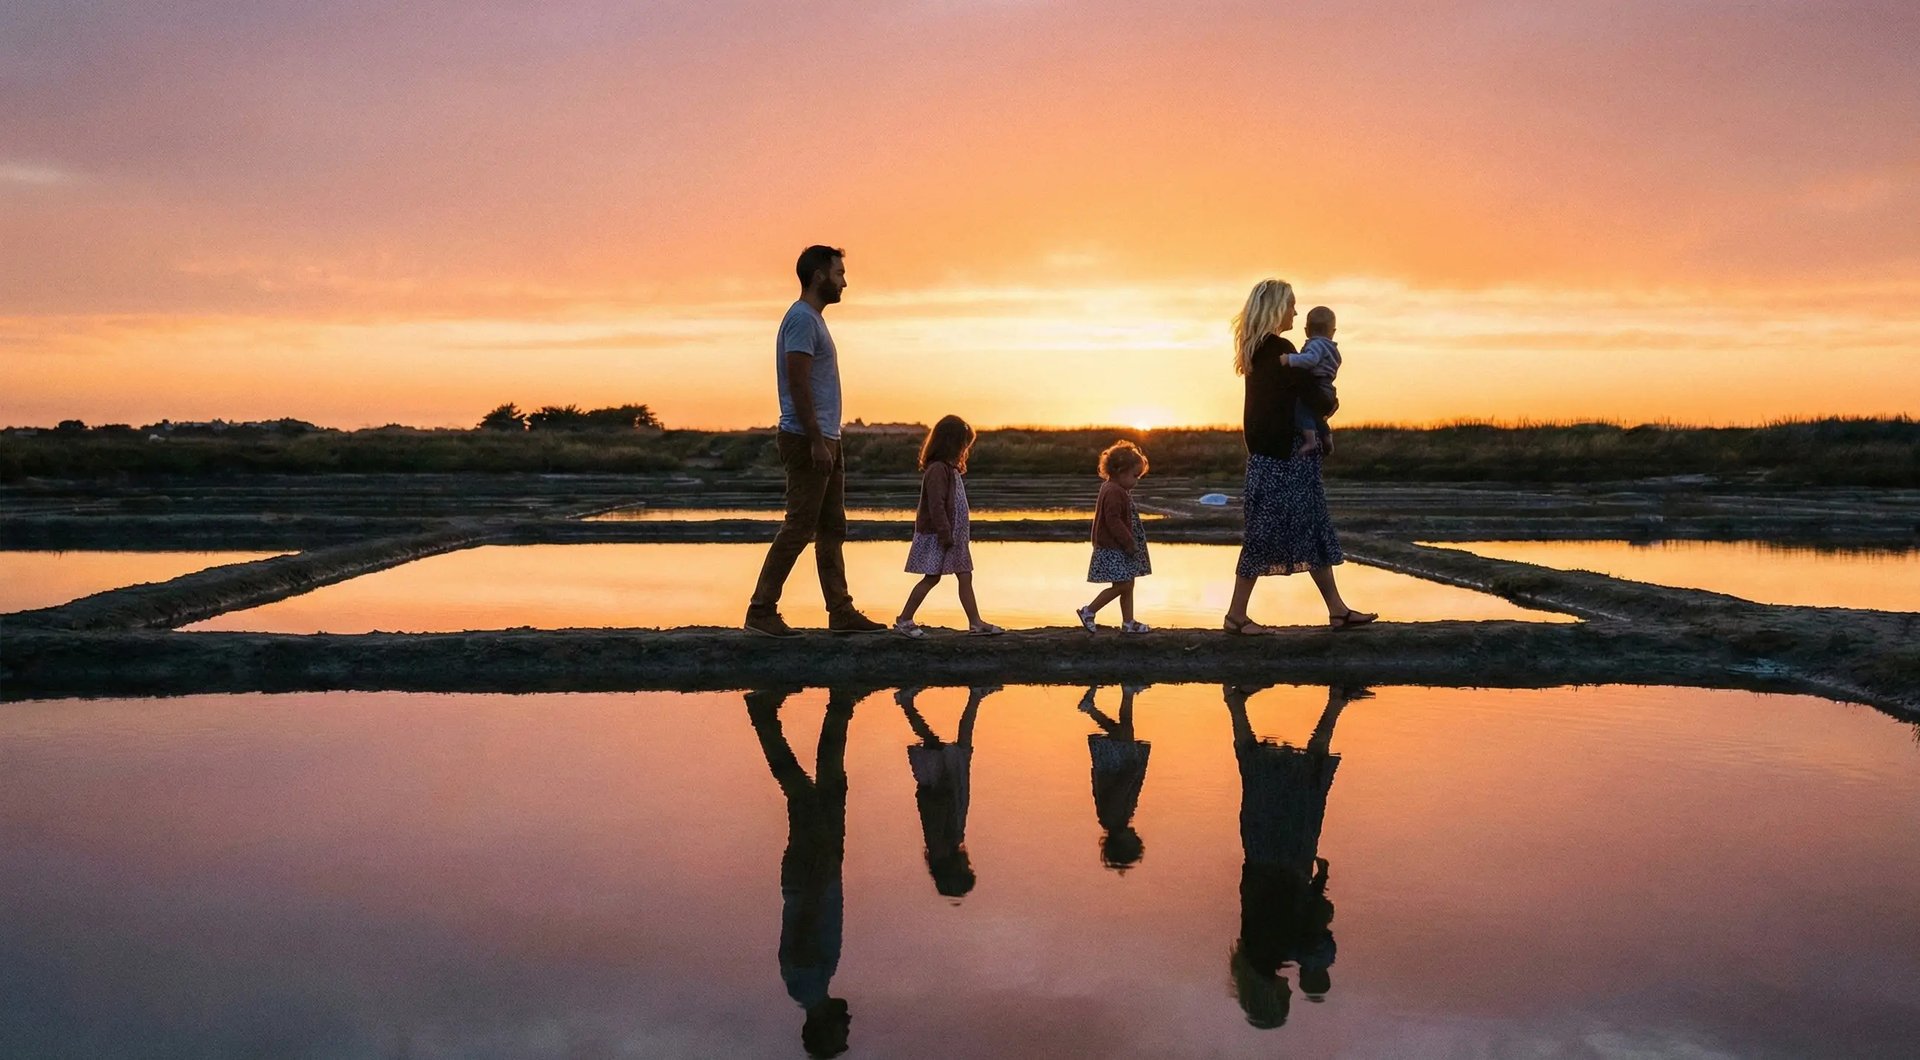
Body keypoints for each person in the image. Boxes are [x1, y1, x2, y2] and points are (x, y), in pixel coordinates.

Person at [745, 245, 886, 638]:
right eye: (839, 273)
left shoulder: (814, 321)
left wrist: (827, 439)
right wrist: (815, 441)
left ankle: (840, 610)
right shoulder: (802, 320)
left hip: (826, 436)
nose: (844, 281)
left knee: (831, 527)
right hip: (808, 438)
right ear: (820, 275)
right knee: (799, 526)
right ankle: (761, 610)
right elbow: (797, 381)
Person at [1223, 279, 1376, 634]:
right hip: (1282, 456)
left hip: (1278, 454)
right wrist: (1331, 403)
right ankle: (1235, 616)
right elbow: (1316, 399)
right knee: (1265, 532)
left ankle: (1337, 609)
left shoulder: (1259, 350)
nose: (1295, 311)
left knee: (1311, 527)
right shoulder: (1278, 349)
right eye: (1292, 304)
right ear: (1277, 308)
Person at [1224, 684, 1367, 1029]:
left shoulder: (1270, 952)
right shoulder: (1252, 956)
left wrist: (1315, 972)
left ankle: (1335, 702)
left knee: (1310, 778)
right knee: (1257, 772)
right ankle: (1236, 704)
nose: (1290, 995)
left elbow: (1314, 933)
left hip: (1284, 859)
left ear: (1272, 996)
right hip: (1261, 853)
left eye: (1285, 999)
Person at [746, 687, 860, 1058]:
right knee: (830, 788)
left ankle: (764, 716)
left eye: (840, 1036)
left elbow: (806, 924)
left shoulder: (806, 985)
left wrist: (821, 868)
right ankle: (840, 704)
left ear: (822, 1032)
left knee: (803, 793)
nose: (848, 1026)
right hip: (818, 872)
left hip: (814, 873)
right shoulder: (810, 987)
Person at [894, 416, 1003, 637]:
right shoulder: (937, 470)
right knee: (932, 577)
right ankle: (905, 619)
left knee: (965, 575)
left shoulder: (950, 469)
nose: (964, 450)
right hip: (941, 536)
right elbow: (936, 505)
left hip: (955, 537)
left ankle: (975, 622)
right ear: (951, 443)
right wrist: (945, 534)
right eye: (963, 445)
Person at [895, 685, 998, 898]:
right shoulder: (946, 849)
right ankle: (975, 696)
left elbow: (935, 811)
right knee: (959, 745)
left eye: (966, 870)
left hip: (942, 786)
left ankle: (906, 702)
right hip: (950, 788)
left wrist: (944, 784)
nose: (969, 865)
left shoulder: (940, 848)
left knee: (943, 743)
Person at [1075, 440, 1153, 634]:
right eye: (1135, 476)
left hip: (1118, 546)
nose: (1136, 481)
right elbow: (1113, 521)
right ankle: (1089, 610)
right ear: (1120, 471)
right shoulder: (1114, 492)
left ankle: (1128, 622)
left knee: (1128, 583)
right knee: (1123, 584)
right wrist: (1129, 543)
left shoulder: (1114, 488)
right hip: (1114, 547)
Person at [1079, 684, 1151, 871]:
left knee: (1125, 731)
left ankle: (1127, 693)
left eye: (1133, 842)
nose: (1137, 837)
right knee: (1123, 731)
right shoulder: (1118, 820)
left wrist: (1132, 771)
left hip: (1115, 769)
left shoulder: (1112, 818)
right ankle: (1091, 708)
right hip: (1116, 769)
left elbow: (1119, 790)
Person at [1287, 306, 1342, 457]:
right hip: (1328, 388)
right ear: (1333, 331)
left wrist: (1290, 359)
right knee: (1317, 415)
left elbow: (1311, 360)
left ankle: (1310, 441)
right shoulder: (1332, 348)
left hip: (1317, 385)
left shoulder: (1316, 345)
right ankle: (1327, 438)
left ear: (1306, 330)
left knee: (1302, 409)